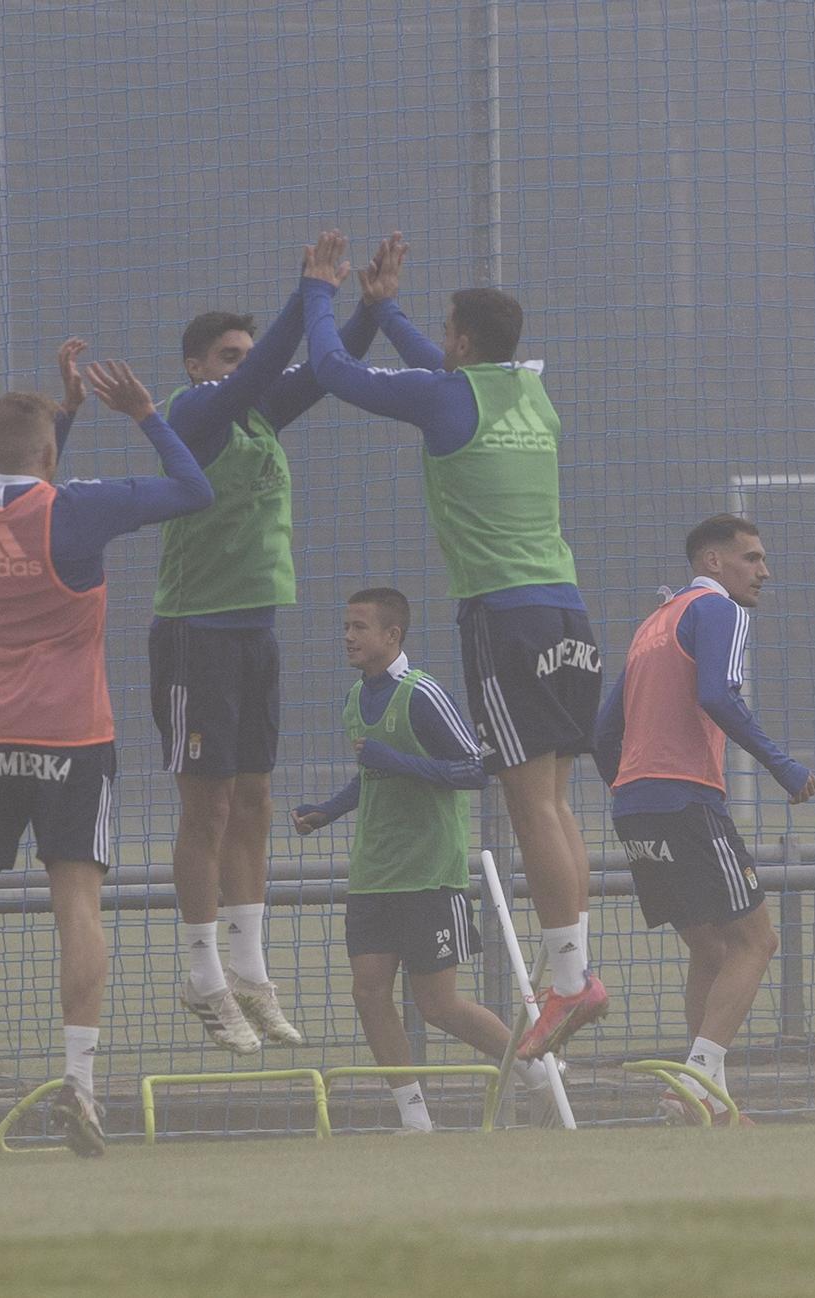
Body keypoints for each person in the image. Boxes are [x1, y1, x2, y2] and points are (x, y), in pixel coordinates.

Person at [299, 230, 608, 1062]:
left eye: (446, 331)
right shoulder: (531, 395)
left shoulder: (443, 400)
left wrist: (319, 295)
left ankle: (572, 984)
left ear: (463, 342)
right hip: (570, 615)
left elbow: (333, 374)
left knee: (528, 805)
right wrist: (388, 307)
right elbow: (444, 368)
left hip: (505, 618)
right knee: (558, 800)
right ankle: (578, 972)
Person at [0, 351, 214, 1156]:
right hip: (70, 737)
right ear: (51, 452)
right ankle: (81, 1086)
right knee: (77, 911)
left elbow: (27, 489)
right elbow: (194, 490)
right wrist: (144, 414)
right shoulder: (80, 510)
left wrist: (61, 416)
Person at [153, 246, 395, 1054]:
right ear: (197, 366)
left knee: (253, 796)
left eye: (245, 354)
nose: (243, 366)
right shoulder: (195, 413)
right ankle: (203, 976)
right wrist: (306, 295)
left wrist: (364, 309)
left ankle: (252, 975)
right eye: (228, 355)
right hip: (197, 632)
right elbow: (263, 374)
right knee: (208, 804)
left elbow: (324, 369)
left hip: (256, 631)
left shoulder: (258, 410)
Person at [292, 589, 561, 1131]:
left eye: (360, 627)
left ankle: (538, 1071)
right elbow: (373, 777)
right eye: (346, 625)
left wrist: (400, 761)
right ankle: (415, 1117)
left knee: (437, 1005)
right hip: (373, 874)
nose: (348, 636)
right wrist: (328, 811)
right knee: (368, 993)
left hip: (427, 874)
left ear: (393, 636)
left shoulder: (422, 695)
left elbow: (473, 770)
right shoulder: (354, 699)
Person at [593, 516, 815, 1124]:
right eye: (752, 558)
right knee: (758, 941)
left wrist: (631, 787)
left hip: (635, 808)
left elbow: (601, 734)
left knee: (713, 952)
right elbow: (718, 696)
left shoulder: (652, 625)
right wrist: (783, 766)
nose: (764, 572)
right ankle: (691, 1084)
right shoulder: (720, 611)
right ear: (714, 563)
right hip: (687, 800)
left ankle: (708, 1105)